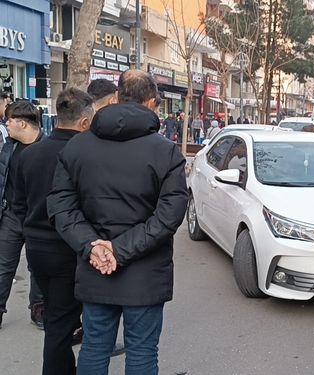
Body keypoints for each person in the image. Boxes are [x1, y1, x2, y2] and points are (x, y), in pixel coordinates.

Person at [46, 69, 188, 374]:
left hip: (96, 266)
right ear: (151, 103)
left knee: (95, 347)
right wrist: (119, 250)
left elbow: (60, 205)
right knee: (142, 351)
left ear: (117, 98)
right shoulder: (166, 152)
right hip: (146, 272)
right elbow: (170, 214)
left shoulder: (77, 147)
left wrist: (93, 247)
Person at [13, 88, 94, 375]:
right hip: (67, 250)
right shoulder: (84, 153)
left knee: (57, 318)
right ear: (84, 122)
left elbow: (18, 202)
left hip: (36, 248)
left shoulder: (30, 154)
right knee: (60, 325)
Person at [0, 101, 45, 329]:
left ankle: (38, 309)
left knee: (37, 267)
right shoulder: (9, 147)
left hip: (37, 218)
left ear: (22, 123)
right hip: (10, 216)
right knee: (3, 265)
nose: (5, 124)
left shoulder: (47, 147)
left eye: (8, 120)